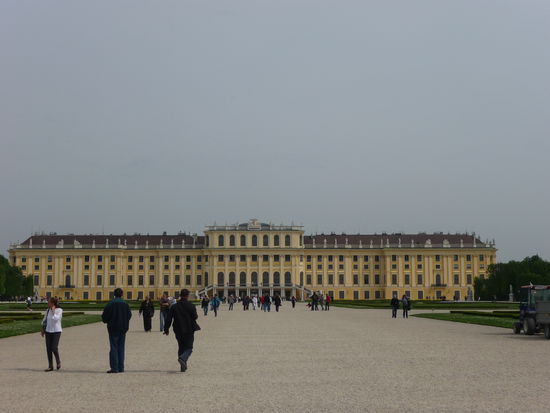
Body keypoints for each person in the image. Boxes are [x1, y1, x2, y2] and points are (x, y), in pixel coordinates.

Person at [164, 289, 200, 372]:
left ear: (180, 295)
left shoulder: (174, 306)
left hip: (178, 329)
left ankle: (183, 366)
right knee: (189, 347)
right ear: (187, 295)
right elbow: (195, 317)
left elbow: (168, 319)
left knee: (181, 346)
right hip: (189, 329)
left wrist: (166, 329)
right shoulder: (191, 305)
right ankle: (183, 358)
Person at [102, 288, 132, 373]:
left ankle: (115, 368)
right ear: (122, 294)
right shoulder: (125, 304)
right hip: (123, 328)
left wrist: (108, 321)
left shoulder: (110, 303)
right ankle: (121, 367)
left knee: (114, 347)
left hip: (113, 328)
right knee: (121, 347)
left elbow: (104, 316)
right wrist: (124, 322)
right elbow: (129, 315)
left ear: (114, 294)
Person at [41, 297, 62, 371]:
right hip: (48, 331)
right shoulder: (47, 310)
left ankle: (58, 361)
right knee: (48, 349)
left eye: (49, 302)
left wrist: (53, 311)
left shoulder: (59, 310)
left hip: (56, 331)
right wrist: (43, 329)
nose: (47, 303)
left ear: (53, 303)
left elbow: (56, 319)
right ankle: (50, 366)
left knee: (54, 347)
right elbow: (44, 320)